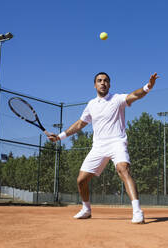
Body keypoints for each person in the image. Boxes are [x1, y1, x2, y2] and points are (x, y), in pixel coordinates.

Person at [48, 72, 159, 224]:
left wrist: (148, 87)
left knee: (123, 169)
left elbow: (135, 95)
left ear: (109, 84)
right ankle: (86, 209)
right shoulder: (91, 104)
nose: (103, 83)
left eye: (106, 81)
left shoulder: (117, 99)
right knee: (81, 180)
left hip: (117, 142)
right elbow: (80, 123)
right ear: (95, 85)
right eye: (99, 81)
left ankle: (137, 211)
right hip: (98, 146)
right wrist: (60, 137)